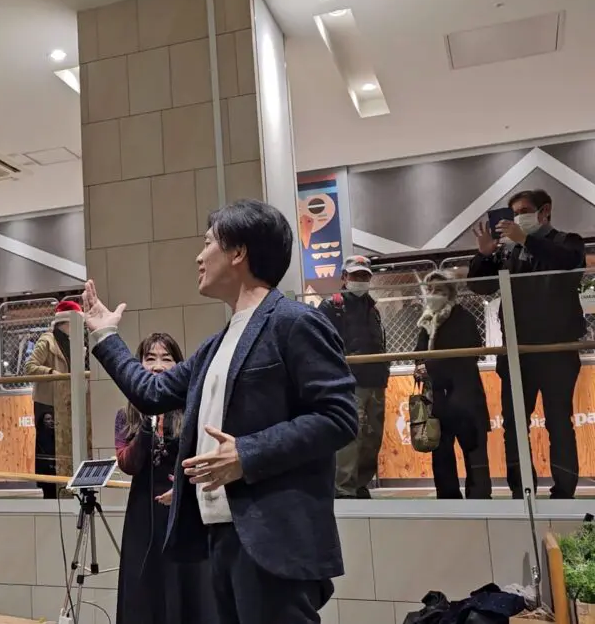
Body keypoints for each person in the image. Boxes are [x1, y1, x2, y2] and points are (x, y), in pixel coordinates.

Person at [82, 199, 357, 624]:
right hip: (219, 535)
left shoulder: (295, 322)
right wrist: (106, 335)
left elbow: (338, 416)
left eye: (208, 243)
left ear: (238, 252)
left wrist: (246, 453)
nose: (199, 256)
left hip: (273, 540)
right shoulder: (216, 345)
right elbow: (152, 393)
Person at [469, 188, 585, 499]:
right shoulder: (508, 253)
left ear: (544, 211)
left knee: (559, 422)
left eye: (523, 212)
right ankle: (522, 491)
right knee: (514, 425)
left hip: (556, 351)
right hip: (516, 353)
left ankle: (564, 491)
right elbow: (480, 287)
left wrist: (526, 240)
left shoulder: (568, 242)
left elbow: (569, 264)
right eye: (513, 214)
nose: (517, 219)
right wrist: (484, 255)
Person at [114, 333, 210, 624]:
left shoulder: (193, 410)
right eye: (150, 359)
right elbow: (128, 464)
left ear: (179, 366)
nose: (157, 366)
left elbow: (205, 458)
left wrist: (182, 489)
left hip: (184, 510)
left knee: (186, 586)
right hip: (143, 513)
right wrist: (147, 422)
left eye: (166, 359)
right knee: (144, 588)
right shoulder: (126, 416)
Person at [413, 271, 491, 500]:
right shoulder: (426, 322)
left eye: (439, 290)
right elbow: (418, 353)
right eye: (430, 290)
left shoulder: (463, 318)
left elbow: (468, 354)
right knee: (441, 452)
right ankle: (448, 499)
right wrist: (419, 366)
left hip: (465, 397)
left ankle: (480, 498)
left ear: (450, 294)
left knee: (474, 450)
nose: (433, 294)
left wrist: (431, 366)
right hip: (438, 398)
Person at [318, 255, 389, 499]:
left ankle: (360, 484)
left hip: (376, 380)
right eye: (356, 275)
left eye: (365, 276)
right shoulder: (331, 306)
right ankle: (343, 489)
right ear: (344, 277)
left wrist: (384, 373)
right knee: (350, 436)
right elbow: (322, 345)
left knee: (373, 437)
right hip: (349, 382)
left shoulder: (373, 308)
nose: (360, 279)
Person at [24, 300, 83, 498]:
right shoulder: (47, 341)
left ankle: (65, 488)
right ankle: (49, 489)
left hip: (66, 403)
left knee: (63, 447)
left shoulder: (74, 344)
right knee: (48, 448)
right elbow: (30, 367)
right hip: (48, 404)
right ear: (67, 321)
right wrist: (53, 374)